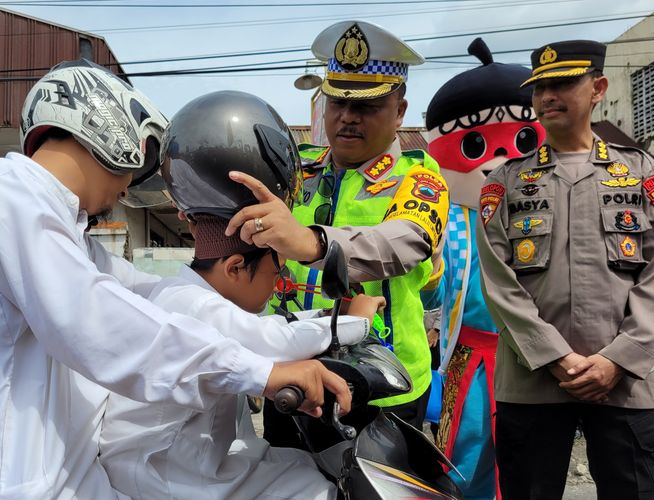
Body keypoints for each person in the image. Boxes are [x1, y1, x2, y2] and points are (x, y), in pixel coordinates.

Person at [0, 60, 351, 499]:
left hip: (57, 481)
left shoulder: (61, 231)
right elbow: (99, 323)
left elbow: (159, 296)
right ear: (110, 132)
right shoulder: (5, 189)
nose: (125, 189)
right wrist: (260, 372)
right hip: (1, 485)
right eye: (133, 168)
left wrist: (325, 326)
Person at [99, 90, 385, 500]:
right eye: (276, 266)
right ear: (235, 267)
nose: (280, 278)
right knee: (318, 488)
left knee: (308, 467)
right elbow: (271, 340)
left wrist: (323, 313)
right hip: (168, 478)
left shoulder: (182, 295)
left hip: (190, 460)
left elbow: (260, 328)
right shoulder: (194, 306)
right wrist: (354, 319)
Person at [224, 20, 449, 446]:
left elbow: (406, 240)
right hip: (293, 372)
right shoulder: (295, 170)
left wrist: (315, 243)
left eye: (366, 106)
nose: (347, 116)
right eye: (337, 102)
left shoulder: (419, 178)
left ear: (400, 110)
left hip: (382, 382)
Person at [477, 40, 654, 499]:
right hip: (532, 382)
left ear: (598, 88)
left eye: (562, 84)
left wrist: (618, 359)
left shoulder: (640, 173)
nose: (548, 96)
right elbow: (498, 282)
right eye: (540, 88)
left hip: (628, 381)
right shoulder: (506, 181)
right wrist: (558, 359)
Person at [422, 38, 545, 499]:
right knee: (462, 457)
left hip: (537, 355)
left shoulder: (558, 206)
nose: (502, 157)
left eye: (523, 140)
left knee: (532, 462)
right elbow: (430, 292)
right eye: (476, 144)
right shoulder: (444, 217)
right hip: (467, 354)